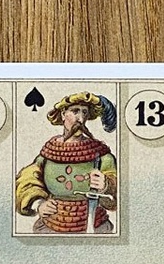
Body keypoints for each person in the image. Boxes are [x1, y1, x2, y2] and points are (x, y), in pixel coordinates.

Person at [14, 92, 117, 233]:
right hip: (50, 226)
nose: (80, 119)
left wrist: (107, 185)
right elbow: (27, 180)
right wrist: (39, 204)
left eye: (85, 112)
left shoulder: (102, 154)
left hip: (95, 226)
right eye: (75, 111)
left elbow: (118, 195)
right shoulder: (48, 153)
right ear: (63, 114)